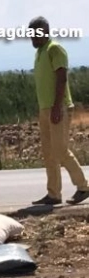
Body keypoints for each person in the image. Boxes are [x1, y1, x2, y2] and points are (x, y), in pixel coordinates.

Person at [29, 16, 89, 205]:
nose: (33, 38)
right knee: (49, 153)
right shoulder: (40, 52)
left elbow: (61, 78)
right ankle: (53, 194)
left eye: (37, 34)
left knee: (60, 150)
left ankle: (84, 187)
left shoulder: (55, 49)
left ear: (46, 31)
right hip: (45, 108)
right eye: (31, 35)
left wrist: (56, 107)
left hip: (58, 107)